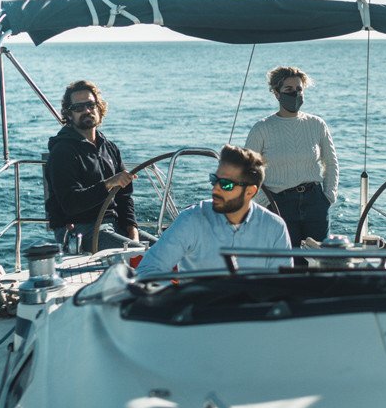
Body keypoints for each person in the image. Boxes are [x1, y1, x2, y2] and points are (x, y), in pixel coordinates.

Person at [137, 145, 291, 275]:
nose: (216, 189)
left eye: (226, 184)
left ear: (250, 191)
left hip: (251, 310)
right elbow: (148, 269)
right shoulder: (191, 219)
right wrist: (174, 299)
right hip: (199, 309)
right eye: (214, 180)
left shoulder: (275, 227)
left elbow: (281, 286)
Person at [245, 66, 339, 248]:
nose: (295, 94)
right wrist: (266, 204)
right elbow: (248, 171)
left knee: (319, 262)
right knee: (287, 262)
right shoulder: (262, 128)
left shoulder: (316, 124)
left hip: (315, 202)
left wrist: (328, 197)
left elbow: (331, 163)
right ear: (276, 93)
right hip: (279, 204)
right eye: (288, 90)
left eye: (299, 89)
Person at [45, 80, 141, 252]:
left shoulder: (109, 147)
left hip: (114, 225)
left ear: (99, 107)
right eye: (78, 108)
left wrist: (132, 230)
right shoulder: (62, 151)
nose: (87, 111)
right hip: (81, 230)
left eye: (90, 105)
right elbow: (71, 203)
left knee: (166, 250)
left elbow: (124, 196)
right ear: (69, 114)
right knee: (144, 256)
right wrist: (109, 183)